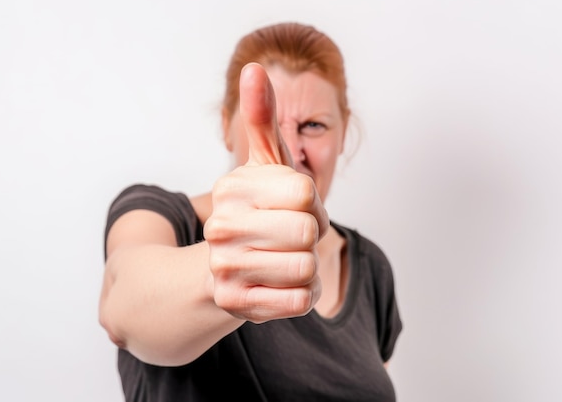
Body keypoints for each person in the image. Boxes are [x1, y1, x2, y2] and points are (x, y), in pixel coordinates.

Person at [99, 22, 402, 402]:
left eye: (314, 125)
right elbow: (124, 302)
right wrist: (225, 274)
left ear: (343, 135)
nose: (291, 149)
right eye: (272, 123)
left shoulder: (370, 267)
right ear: (227, 126)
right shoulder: (161, 213)